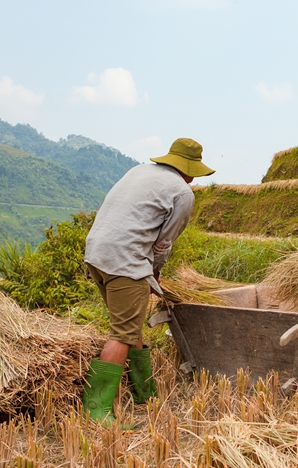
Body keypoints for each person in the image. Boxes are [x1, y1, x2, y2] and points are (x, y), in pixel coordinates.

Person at [81, 137, 214, 424]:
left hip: (96, 253)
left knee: (130, 326)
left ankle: (145, 394)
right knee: (122, 334)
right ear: (190, 169)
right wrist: (155, 272)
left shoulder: (139, 171)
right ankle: (95, 410)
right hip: (125, 261)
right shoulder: (182, 193)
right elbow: (164, 243)